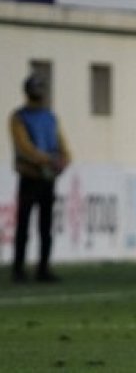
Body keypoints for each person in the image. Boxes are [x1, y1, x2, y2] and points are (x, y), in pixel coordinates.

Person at [9, 74, 71, 283]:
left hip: (47, 178)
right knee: (24, 226)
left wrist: (64, 159)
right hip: (30, 176)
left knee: (45, 226)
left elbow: (61, 143)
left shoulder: (50, 117)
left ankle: (43, 268)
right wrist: (49, 160)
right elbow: (24, 147)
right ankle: (19, 269)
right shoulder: (19, 117)